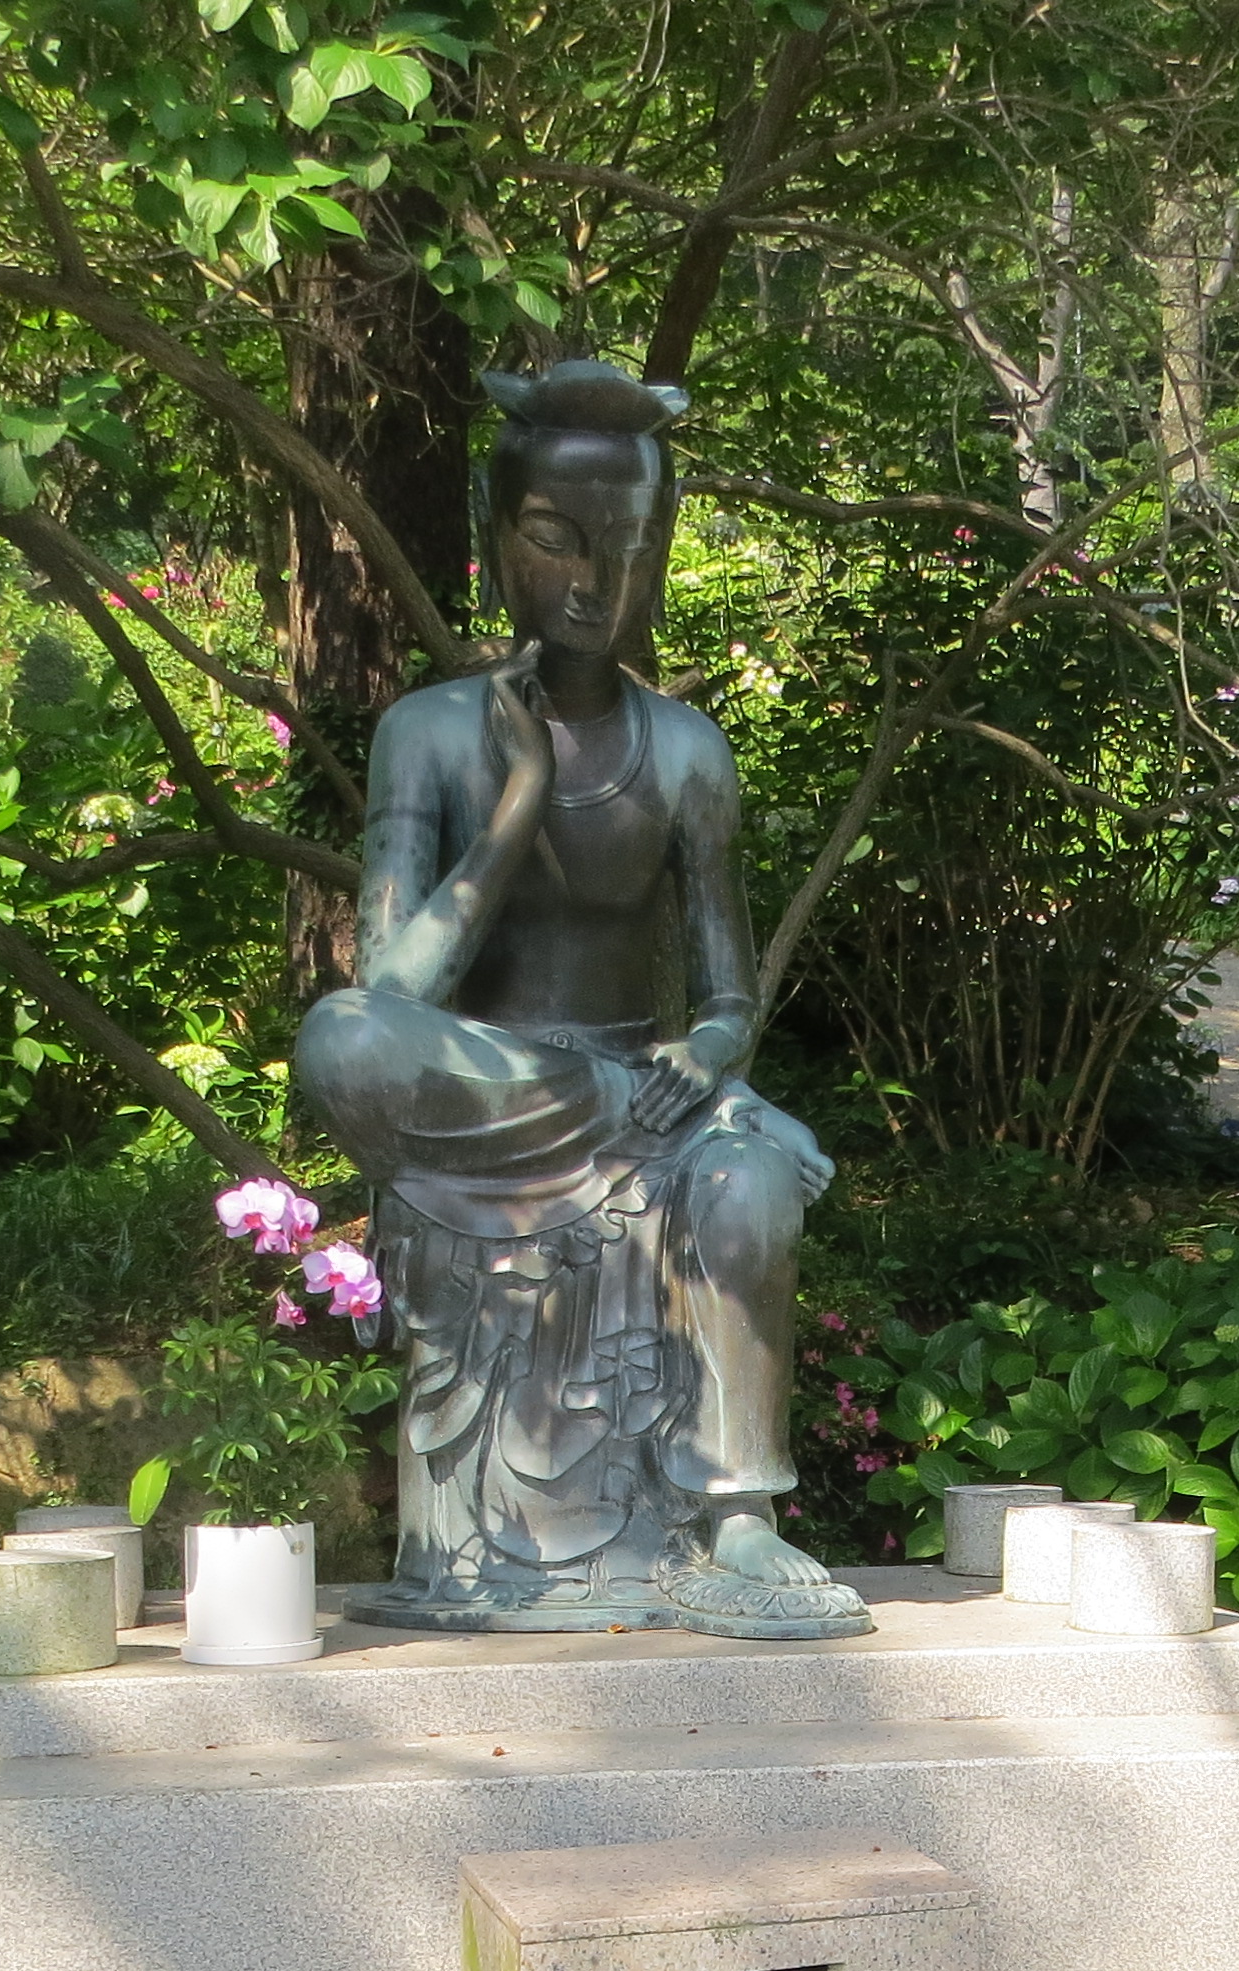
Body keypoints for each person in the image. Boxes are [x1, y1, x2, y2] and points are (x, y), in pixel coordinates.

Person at [293, 359, 867, 1637]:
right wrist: (514, 807)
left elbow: (726, 994)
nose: (597, 582)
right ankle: (649, 1111)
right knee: (338, 1037)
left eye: (631, 543)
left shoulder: (687, 749)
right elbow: (393, 991)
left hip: (644, 1096)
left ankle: (739, 1516)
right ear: (498, 537)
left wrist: (706, 1056)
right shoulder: (428, 733)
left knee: (747, 1180)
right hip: (495, 1087)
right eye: (557, 540)